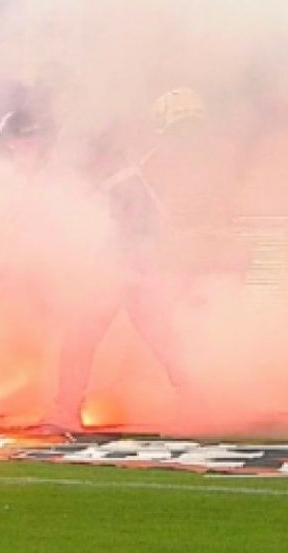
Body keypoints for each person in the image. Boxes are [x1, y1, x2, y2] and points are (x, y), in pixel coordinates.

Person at [49, 87, 245, 432]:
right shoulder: (177, 165)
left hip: (136, 262)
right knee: (149, 335)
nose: (187, 139)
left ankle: (68, 410)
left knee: (136, 334)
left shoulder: (168, 168)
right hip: (130, 260)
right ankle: (192, 405)